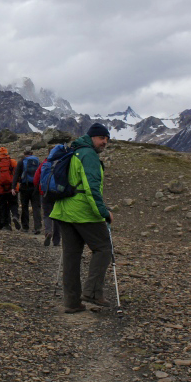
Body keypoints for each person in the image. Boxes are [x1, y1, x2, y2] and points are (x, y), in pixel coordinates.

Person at [50, 123, 114, 314]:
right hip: (82, 212)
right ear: (93, 137)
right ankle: (92, 292)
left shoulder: (75, 151)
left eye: (107, 139)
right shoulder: (89, 155)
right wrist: (104, 212)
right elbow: (91, 188)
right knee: (103, 248)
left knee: (71, 256)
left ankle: (71, 302)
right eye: (102, 138)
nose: (105, 142)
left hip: (64, 210)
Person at [33, 147, 61, 247]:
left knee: (47, 214)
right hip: (58, 193)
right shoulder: (61, 163)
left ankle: (48, 231)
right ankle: (56, 240)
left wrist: (38, 189)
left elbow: (36, 178)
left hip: (45, 193)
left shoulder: (44, 163)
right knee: (57, 216)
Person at [12, 148, 42, 233]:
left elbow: (16, 175)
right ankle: (38, 227)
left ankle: (25, 227)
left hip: (24, 187)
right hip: (36, 187)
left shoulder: (22, 162)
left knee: (24, 207)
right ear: (32, 153)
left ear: (24, 153)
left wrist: (13, 187)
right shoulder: (37, 161)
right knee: (36, 207)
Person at [0, 146, 17, 230]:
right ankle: (15, 215)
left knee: (3, 207)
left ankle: (6, 225)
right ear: (6, 153)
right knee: (13, 204)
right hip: (12, 188)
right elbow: (17, 173)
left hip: (0, 189)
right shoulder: (12, 162)